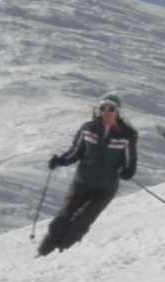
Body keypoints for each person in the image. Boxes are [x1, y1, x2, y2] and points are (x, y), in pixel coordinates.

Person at [37, 92, 138, 256]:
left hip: (105, 188)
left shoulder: (127, 135)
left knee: (82, 220)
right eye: (103, 107)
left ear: (118, 112)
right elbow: (75, 152)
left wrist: (128, 171)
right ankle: (44, 252)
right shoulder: (87, 128)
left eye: (111, 108)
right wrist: (59, 160)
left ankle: (62, 253)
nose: (106, 111)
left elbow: (130, 161)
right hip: (82, 182)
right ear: (97, 110)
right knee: (64, 215)